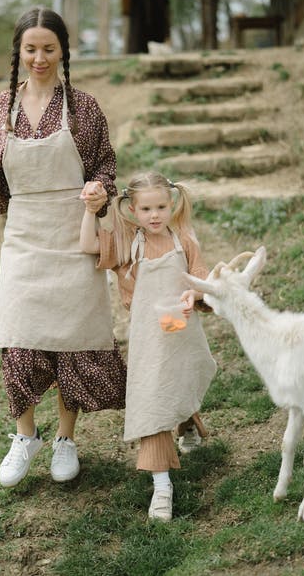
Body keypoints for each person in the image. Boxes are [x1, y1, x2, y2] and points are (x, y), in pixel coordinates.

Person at [0, 6, 127, 488]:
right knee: (18, 334)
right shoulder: (1, 108)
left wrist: (99, 192)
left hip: (73, 234)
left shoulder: (84, 107)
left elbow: (104, 165)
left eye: (49, 48)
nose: (40, 57)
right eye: (31, 49)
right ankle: (25, 436)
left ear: (63, 51)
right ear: (19, 52)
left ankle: (65, 439)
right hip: (24, 237)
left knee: (72, 338)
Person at [80, 171, 216, 521]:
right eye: (145, 209)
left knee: (179, 379)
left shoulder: (183, 238)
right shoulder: (129, 242)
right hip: (147, 339)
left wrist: (195, 292)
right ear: (132, 210)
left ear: (172, 205)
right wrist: (90, 211)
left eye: (160, 207)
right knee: (152, 399)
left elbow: (201, 275)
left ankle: (186, 421)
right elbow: (88, 246)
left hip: (181, 329)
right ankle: (162, 486)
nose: (154, 215)